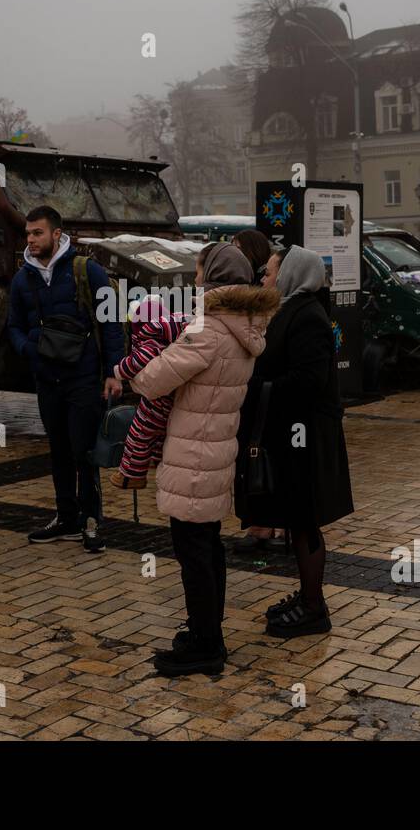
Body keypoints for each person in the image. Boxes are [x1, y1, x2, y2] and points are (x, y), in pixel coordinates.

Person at [128, 242, 279, 676]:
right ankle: (205, 632)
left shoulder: (207, 330)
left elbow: (152, 380)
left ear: (212, 277)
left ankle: (205, 645)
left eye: (198, 271)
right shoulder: (242, 328)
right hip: (215, 452)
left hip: (193, 456)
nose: (193, 279)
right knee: (207, 547)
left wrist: (134, 367)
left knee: (194, 553)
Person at [237, 245, 354, 638]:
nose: (264, 279)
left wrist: (256, 387)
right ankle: (306, 595)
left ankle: (314, 607)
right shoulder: (292, 309)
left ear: (290, 275)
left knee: (305, 521)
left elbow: (309, 381)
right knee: (297, 518)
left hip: (307, 436)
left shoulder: (307, 317)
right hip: (294, 433)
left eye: (269, 273)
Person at [7, 206, 123, 552]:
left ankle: (91, 521)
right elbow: (12, 325)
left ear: (57, 234)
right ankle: (66, 517)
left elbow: (111, 322)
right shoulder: (22, 278)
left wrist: (114, 372)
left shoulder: (87, 270)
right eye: (28, 234)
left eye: (37, 233)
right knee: (58, 451)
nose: (31, 239)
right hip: (47, 379)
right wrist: (28, 348)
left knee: (83, 451)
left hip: (83, 379)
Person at [229, 229, 285, 554]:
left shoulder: (266, 296)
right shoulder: (240, 295)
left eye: (238, 250)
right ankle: (257, 523)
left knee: (267, 456)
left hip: (265, 387)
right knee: (249, 457)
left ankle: (275, 523)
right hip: (248, 388)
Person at [110, 295, 186, 489]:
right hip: (169, 401)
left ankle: (130, 474)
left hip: (155, 402)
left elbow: (136, 362)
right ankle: (158, 459)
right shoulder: (172, 339)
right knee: (160, 434)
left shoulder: (150, 342)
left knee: (139, 434)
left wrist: (119, 370)